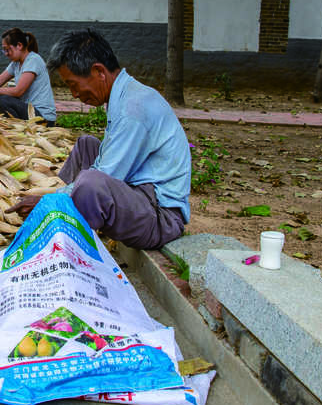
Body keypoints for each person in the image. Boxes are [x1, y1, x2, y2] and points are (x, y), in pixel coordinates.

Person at [11, 28, 191, 249]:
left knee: (91, 184)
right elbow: (104, 162)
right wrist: (59, 194)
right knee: (86, 145)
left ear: (99, 71)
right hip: (139, 192)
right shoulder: (125, 95)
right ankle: (69, 217)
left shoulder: (132, 109)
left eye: (73, 85)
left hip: (159, 216)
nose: (75, 94)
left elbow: (105, 175)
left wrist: (49, 200)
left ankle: (67, 234)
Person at [0, 27, 56, 124]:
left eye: (7, 50)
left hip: (42, 117)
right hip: (30, 111)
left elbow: (18, 92)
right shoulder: (16, 63)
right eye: (4, 50)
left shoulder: (33, 60)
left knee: (4, 101)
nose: (6, 54)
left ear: (19, 45)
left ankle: (19, 127)